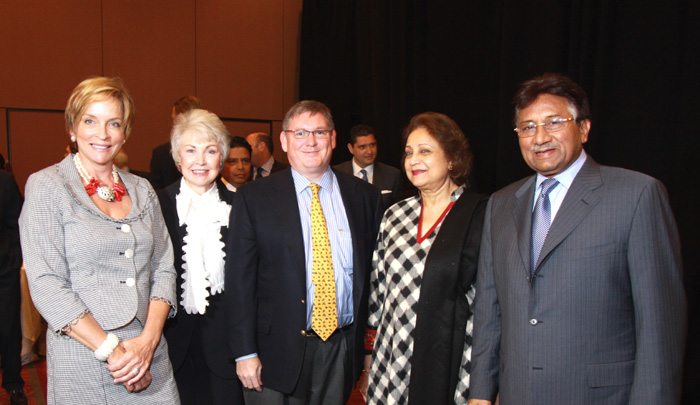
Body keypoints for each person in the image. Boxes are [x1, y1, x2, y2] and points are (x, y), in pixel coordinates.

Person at [468, 73, 686, 404]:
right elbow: (489, 311)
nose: (539, 137)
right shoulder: (500, 204)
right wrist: (481, 394)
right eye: (527, 127)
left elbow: (660, 327)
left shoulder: (637, 195)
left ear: (583, 128)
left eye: (554, 122)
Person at [19, 77, 180, 404]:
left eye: (114, 123)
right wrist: (115, 353)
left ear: (125, 132)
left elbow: (164, 268)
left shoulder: (142, 190)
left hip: (149, 357)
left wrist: (148, 342)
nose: (102, 134)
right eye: (90, 121)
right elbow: (47, 283)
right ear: (72, 128)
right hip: (84, 357)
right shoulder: (47, 186)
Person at [227, 100, 383, 404]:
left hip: (340, 347)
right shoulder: (254, 198)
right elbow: (239, 282)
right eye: (300, 133)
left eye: (319, 132)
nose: (310, 142)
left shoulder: (364, 197)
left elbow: (374, 278)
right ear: (284, 141)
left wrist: (367, 352)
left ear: (334, 139)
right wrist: (245, 352)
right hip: (272, 353)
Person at [362, 113, 487, 404]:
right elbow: (377, 294)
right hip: (390, 361)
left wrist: (478, 385)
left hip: (451, 363)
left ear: (453, 159)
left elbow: (486, 310)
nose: (413, 159)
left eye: (425, 151)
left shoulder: (480, 216)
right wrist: (368, 362)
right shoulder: (395, 215)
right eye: (408, 152)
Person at [157, 109, 242, 404]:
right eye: (190, 151)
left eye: (210, 151)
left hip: (228, 348)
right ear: (177, 158)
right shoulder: (155, 204)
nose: (200, 161)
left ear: (223, 157)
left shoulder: (241, 207)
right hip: (169, 345)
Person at [0, 169, 27, 405]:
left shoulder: (4, 180)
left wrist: (13, 261)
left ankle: (13, 384)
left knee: (8, 330)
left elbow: (17, 224)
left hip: (3, 273)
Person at [334, 124, 405, 210]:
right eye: (362, 147)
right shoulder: (336, 173)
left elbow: (398, 211)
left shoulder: (392, 175)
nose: (369, 151)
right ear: (351, 148)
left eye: (372, 145)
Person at [150, 96, 203, 190]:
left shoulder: (161, 154)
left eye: (173, 118)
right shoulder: (213, 151)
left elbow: (156, 195)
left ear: (180, 117)